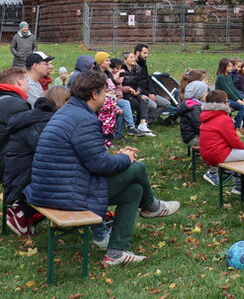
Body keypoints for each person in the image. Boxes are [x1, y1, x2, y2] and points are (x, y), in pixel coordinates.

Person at [25, 70, 181, 265]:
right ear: (94, 94)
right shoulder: (84, 119)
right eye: (105, 92)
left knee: (134, 190)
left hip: (53, 189)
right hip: (65, 194)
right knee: (137, 168)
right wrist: (125, 158)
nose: (108, 96)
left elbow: (86, 157)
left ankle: (116, 253)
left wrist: (118, 156)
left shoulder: (69, 112)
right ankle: (151, 207)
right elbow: (99, 165)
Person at [4, 86, 70, 234]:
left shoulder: (35, 116)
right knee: (68, 182)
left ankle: (21, 211)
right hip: (22, 178)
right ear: (62, 103)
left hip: (15, 172)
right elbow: (48, 154)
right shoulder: (44, 122)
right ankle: (23, 216)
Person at [198, 89, 244, 203]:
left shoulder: (207, 115)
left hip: (208, 153)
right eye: (227, 101)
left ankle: (238, 186)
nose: (229, 103)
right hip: (218, 154)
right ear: (221, 104)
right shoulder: (223, 118)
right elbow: (233, 140)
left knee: (241, 156)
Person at [128, 44, 174, 126]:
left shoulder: (143, 64)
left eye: (147, 53)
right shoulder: (133, 66)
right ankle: (141, 122)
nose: (146, 55)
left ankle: (146, 122)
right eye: (144, 53)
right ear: (138, 52)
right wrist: (148, 94)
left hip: (147, 92)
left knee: (166, 103)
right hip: (138, 93)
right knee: (153, 105)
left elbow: (148, 80)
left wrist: (152, 92)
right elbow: (137, 84)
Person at [0, 66, 31, 182]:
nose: (28, 87)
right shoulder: (17, 104)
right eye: (27, 82)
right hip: (7, 166)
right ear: (19, 81)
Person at [215, 58, 244, 129]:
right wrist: (237, 100)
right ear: (223, 67)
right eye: (229, 66)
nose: (231, 68)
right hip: (223, 100)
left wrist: (242, 98)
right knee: (243, 106)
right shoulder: (221, 77)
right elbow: (228, 90)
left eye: (231, 66)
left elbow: (233, 89)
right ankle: (236, 127)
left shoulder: (228, 76)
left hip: (230, 99)